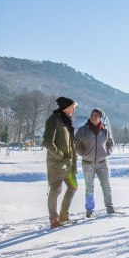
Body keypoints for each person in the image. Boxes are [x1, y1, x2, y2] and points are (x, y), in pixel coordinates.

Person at [42, 96, 78, 229]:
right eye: (72, 107)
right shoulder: (54, 120)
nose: (74, 109)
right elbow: (47, 142)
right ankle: (54, 220)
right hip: (56, 163)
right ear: (66, 107)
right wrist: (59, 155)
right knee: (56, 190)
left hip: (68, 163)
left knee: (73, 187)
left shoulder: (66, 120)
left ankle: (64, 215)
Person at [75, 108, 115, 217]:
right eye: (92, 115)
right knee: (89, 187)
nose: (92, 117)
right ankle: (89, 210)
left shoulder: (105, 130)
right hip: (88, 163)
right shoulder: (83, 129)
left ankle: (110, 207)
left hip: (102, 163)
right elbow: (76, 142)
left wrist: (108, 152)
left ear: (100, 118)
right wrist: (82, 153)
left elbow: (111, 143)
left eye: (95, 115)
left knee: (106, 185)